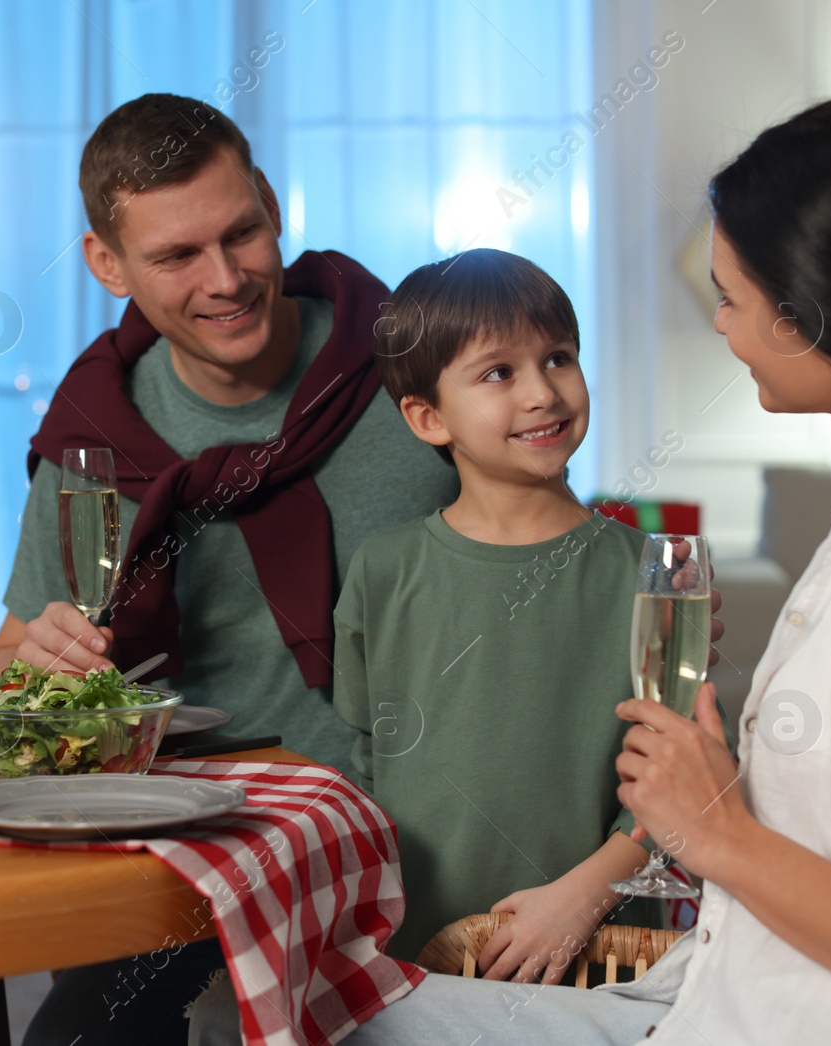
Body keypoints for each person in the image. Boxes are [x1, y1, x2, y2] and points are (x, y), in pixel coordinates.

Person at [192, 94, 831, 1045]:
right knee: (260, 1012)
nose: (725, 331)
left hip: (766, 1012)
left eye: (729, 297)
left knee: (270, 1020)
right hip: (706, 988)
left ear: (810, 307)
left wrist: (717, 835)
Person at [0, 93, 457, 1046]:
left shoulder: (414, 364)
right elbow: (15, 662)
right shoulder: (93, 435)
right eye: (176, 256)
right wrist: (31, 668)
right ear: (107, 265)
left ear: (273, 205)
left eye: (242, 232)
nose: (228, 278)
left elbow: (546, 539)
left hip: (416, 832)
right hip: (182, 847)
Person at [334, 249, 665, 968]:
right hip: (414, 952)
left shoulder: (650, 574)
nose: (543, 392)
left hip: (598, 957)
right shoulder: (382, 572)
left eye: (558, 358)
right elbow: (364, 763)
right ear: (427, 418)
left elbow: (687, 783)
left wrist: (583, 896)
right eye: (498, 373)